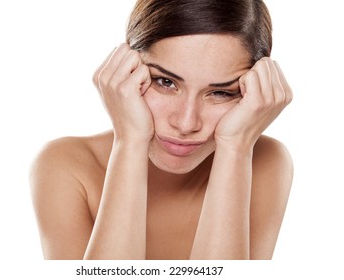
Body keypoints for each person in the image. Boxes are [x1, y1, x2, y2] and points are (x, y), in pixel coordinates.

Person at [30, 0, 293, 260]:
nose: (186, 123)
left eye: (221, 92)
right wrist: (130, 141)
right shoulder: (65, 165)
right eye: (165, 82)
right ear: (126, 70)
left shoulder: (264, 162)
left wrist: (236, 148)